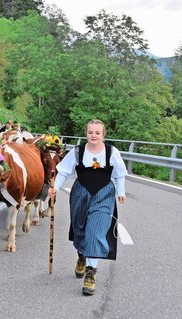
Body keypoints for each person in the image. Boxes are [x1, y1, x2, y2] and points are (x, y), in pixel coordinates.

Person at [48, 120, 127, 295]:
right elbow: (64, 171)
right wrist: (55, 188)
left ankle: (90, 275)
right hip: (80, 193)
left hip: (104, 194)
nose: (94, 136)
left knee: (95, 232)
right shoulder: (77, 152)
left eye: (97, 133)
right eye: (91, 132)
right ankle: (81, 256)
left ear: (103, 134)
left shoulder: (111, 152)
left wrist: (121, 192)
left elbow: (120, 174)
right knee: (81, 229)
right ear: (86, 133)